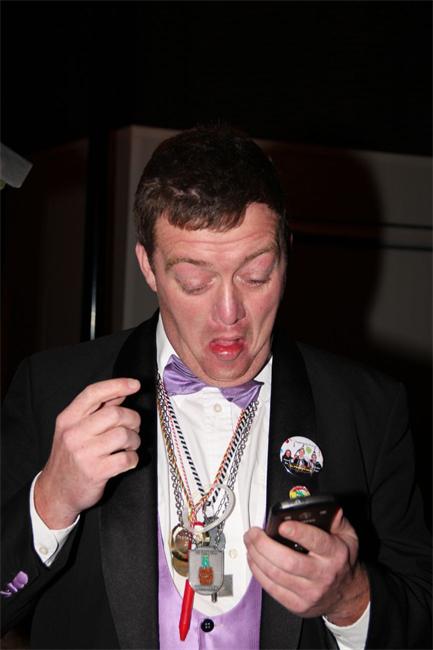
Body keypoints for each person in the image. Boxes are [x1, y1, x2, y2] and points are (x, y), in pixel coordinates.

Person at [1, 125, 431, 650]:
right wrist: (50, 501)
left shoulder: (370, 409)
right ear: (149, 267)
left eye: (257, 274)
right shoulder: (48, 388)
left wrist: (350, 598)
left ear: (286, 255)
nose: (229, 314)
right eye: (195, 282)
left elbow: (421, 616)